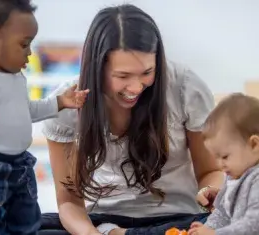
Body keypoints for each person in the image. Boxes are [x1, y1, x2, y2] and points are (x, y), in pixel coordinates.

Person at [38, 4, 224, 235]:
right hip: (104, 222)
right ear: (96, 68)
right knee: (31, 228)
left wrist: (211, 190)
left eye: (147, 72)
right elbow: (68, 203)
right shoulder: (65, 106)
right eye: (122, 76)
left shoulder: (185, 87)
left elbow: (210, 171)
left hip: (177, 220)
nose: (136, 87)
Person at [0, 0, 87, 234]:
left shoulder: (16, 78)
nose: (30, 53)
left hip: (20, 165)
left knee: (27, 221)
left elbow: (28, 110)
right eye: (24, 44)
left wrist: (61, 102)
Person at [188, 93, 259, 235]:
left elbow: (253, 227)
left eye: (224, 156)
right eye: (216, 157)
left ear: (254, 144)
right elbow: (222, 212)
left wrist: (215, 234)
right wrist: (208, 228)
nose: (219, 164)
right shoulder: (236, 173)